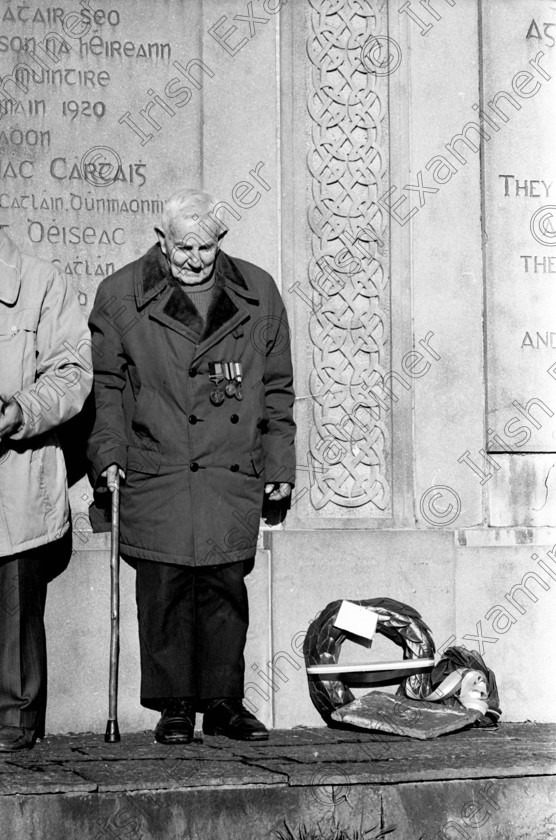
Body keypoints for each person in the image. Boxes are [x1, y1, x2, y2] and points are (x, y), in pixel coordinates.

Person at [87, 189, 296, 744]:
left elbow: (277, 390)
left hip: (230, 467)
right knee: (165, 585)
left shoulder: (259, 293)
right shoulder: (120, 295)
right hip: (160, 463)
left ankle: (224, 701)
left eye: (205, 246)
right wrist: (107, 454)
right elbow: (106, 390)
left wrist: (280, 462)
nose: (194, 258)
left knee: (226, 585)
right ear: (162, 240)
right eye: (183, 246)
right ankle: (174, 704)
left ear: (220, 242)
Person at [0, 230, 92, 751]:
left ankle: (14, 716)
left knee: (14, 599)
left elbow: (74, 373)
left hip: (15, 476)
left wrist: (19, 412)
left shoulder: (41, 281)